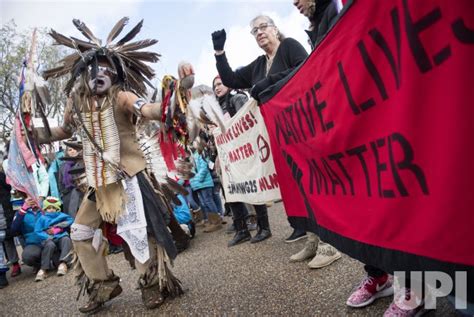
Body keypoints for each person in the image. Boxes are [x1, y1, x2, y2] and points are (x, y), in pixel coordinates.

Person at [37, 18, 193, 313]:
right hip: (98, 181)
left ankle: (153, 283)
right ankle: (103, 284)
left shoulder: (122, 96)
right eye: (95, 66)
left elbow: (147, 109)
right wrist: (34, 134)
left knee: (139, 231)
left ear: (115, 72)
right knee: (80, 232)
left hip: (129, 176)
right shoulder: (77, 101)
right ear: (83, 71)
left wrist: (175, 99)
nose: (100, 72)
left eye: (106, 67)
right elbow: (64, 132)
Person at [212, 15, 309, 244]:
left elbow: (305, 68)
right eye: (254, 31)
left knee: (307, 179)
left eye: (263, 27)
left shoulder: (289, 47)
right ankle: (307, 231)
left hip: (299, 124)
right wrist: (219, 53)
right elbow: (231, 79)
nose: (259, 32)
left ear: (275, 29)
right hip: (275, 132)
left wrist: (270, 82)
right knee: (291, 181)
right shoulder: (258, 64)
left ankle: (327, 242)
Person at [33, 196, 73, 281]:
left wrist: (59, 227)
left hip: (60, 236)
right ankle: (44, 268)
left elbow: (70, 220)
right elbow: (37, 230)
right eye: (49, 208)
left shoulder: (61, 215)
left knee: (66, 239)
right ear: (45, 208)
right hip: (48, 239)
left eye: (54, 208)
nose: (51, 210)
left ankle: (64, 263)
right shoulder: (42, 218)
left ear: (57, 208)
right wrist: (47, 236)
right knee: (49, 245)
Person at [190, 138, 222, 233]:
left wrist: (198, 179)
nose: (192, 145)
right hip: (199, 184)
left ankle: (216, 221)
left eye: (194, 143)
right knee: (204, 202)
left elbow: (204, 167)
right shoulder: (194, 155)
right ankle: (212, 221)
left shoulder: (201, 154)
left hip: (204, 182)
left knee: (208, 201)